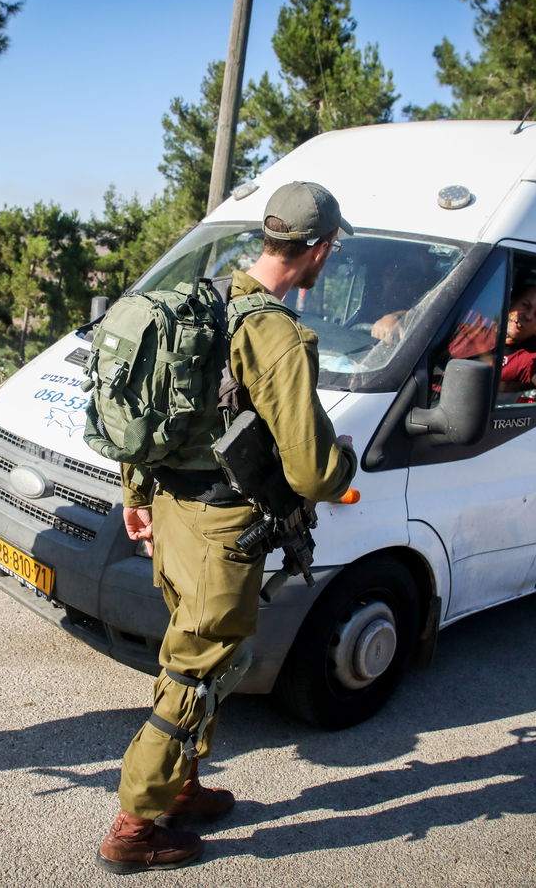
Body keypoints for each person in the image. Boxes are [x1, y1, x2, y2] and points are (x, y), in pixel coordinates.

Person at [97, 182, 358, 874]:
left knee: (200, 653)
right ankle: (135, 822)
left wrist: (137, 493)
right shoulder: (275, 332)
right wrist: (346, 464)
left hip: (174, 516)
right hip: (222, 530)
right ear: (320, 248)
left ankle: (183, 786)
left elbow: (153, 407)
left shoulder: (204, 295)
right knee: (198, 666)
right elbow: (311, 471)